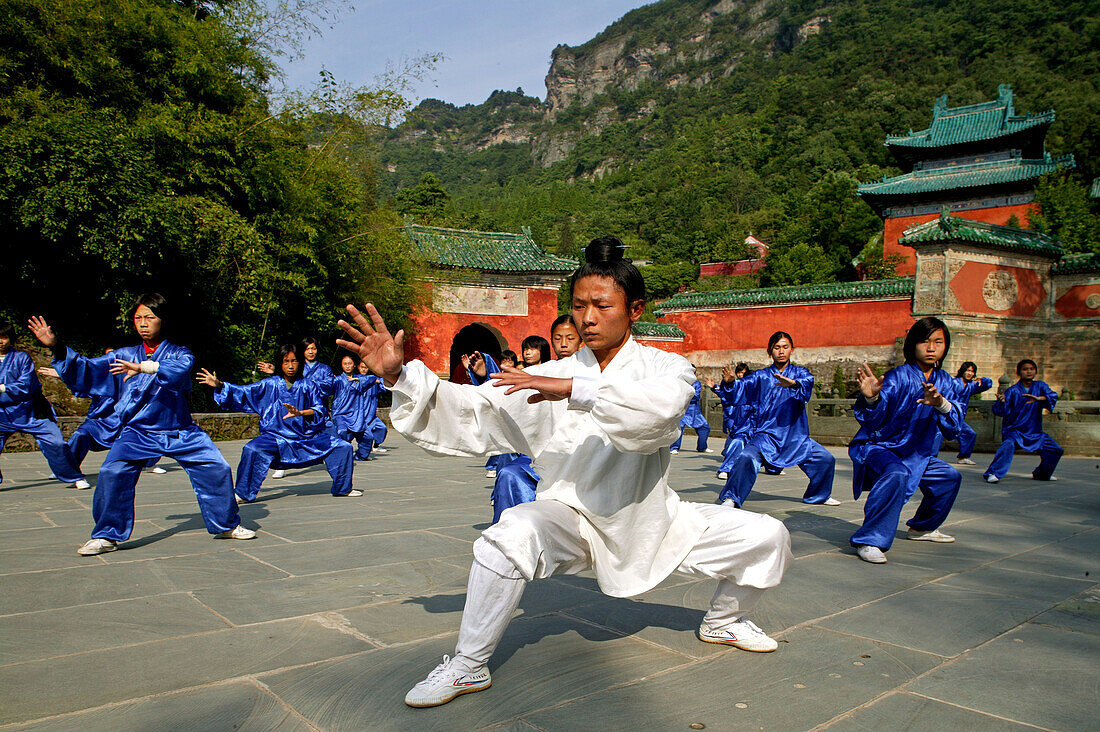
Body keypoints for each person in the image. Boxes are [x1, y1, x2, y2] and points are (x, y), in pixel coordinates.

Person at [337, 236, 791, 708]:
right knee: (507, 537)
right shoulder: (548, 377)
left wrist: (576, 388)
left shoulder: (664, 367)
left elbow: (657, 416)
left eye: (601, 305)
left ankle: (723, 620)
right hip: (572, 516)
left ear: (634, 309)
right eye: (578, 306)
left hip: (650, 519)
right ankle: (468, 665)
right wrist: (400, 377)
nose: (587, 318)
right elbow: (477, 408)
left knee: (767, 536)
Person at [28, 294, 254, 555]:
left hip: (180, 431)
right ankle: (106, 535)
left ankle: (226, 524)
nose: (143, 323)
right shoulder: (123, 355)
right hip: (138, 432)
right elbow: (88, 370)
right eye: (138, 318)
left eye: (150, 317)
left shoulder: (181, 352)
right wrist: (56, 346)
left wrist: (144, 367)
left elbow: (179, 370)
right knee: (112, 472)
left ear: (163, 320)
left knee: (216, 467)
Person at [848, 317, 963, 564]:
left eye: (938, 342)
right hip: (881, 446)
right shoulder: (898, 377)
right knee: (896, 473)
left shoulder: (948, 383)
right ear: (912, 345)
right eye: (924, 341)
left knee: (949, 477)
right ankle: (870, 539)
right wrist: (871, 399)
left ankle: (922, 528)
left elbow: (955, 426)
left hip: (919, 453)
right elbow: (873, 420)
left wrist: (941, 404)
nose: (931, 348)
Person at [197, 343, 360, 502]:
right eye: (286, 361)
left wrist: (301, 412)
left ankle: (343, 488)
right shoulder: (270, 384)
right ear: (280, 363)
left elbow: (320, 409)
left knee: (343, 447)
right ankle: (243, 492)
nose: (290, 366)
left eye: (294, 361)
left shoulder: (308, 385)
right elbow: (244, 392)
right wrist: (219, 384)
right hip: (276, 437)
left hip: (306, 438)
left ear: (300, 363)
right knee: (251, 449)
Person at [718, 332, 839, 508]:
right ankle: (732, 497)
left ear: (792, 350)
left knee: (826, 459)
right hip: (766, 435)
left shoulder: (800, 373)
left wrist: (793, 384)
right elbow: (740, 388)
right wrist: (730, 383)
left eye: (785, 347)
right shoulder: (761, 376)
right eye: (776, 347)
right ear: (770, 352)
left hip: (795, 436)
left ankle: (818, 495)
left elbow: (807, 383)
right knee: (746, 456)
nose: (781, 351)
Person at [489, 317, 585, 524]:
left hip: (582, 456)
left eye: (570, 338)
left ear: (582, 341)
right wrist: (482, 376)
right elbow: (505, 391)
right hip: (544, 453)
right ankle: (508, 535)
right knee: (509, 473)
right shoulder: (543, 371)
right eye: (558, 338)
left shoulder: (593, 372)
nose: (564, 343)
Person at [0, 323, 87, 488]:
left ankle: (73, 476)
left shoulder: (22, 358)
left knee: (56, 443)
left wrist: (3, 387)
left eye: (4, 337)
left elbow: (26, 385)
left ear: (11, 339)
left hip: (29, 410)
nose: (0, 341)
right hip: (1, 413)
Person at [983, 359, 1063, 483]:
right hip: (1015, 431)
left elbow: (1052, 396)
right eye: (1025, 369)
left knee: (1055, 449)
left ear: (1035, 371)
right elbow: (1000, 412)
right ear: (1019, 372)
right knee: (1007, 445)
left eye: (1031, 369)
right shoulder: (1013, 391)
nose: (1029, 371)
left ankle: (1042, 474)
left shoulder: (1040, 386)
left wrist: (1039, 399)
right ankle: (994, 473)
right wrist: (1002, 402)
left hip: (1035, 431)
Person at [706, 363, 754, 480]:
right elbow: (725, 394)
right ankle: (726, 468)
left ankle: (774, 467)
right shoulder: (738, 389)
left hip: (759, 428)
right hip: (738, 422)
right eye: (739, 372)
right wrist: (716, 387)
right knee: (737, 441)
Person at [943, 361, 992, 465]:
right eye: (968, 370)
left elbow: (988, 384)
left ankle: (963, 457)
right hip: (947, 414)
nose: (970, 373)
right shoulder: (953, 382)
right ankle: (929, 456)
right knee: (936, 435)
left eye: (972, 371)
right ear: (963, 371)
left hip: (959, 418)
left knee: (970, 433)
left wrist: (983, 380)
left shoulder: (970, 386)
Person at [670, 371, 713, 454]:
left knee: (704, 428)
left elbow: (696, 396)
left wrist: (686, 395)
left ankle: (702, 447)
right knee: (679, 428)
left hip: (694, 410)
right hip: (682, 410)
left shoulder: (696, 383)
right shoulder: (680, 382)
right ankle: (674, 447)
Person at [357, 359, 389, 454]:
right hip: (360, 413)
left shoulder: (374, 380)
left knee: (382, 428)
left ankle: (376, 445)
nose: (363, 369)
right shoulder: (356, 379)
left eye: (365, 367)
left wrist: (379, 381)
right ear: (358, 367)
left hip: (371, 412)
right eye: (362, 367)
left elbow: (384, 386)